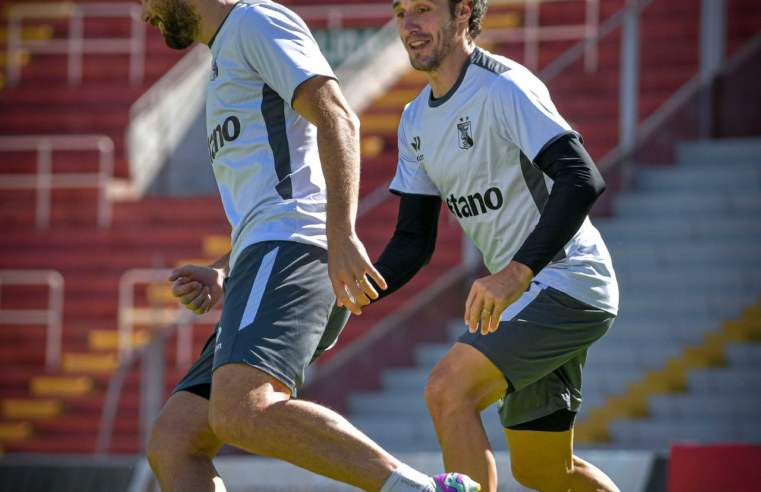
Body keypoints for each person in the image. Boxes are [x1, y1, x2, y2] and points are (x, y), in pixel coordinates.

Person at [139, 0, 481, 491]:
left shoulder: (256, 22)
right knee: (174, 441)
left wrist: (340, 234)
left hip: (292, 248)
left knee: (242, 410)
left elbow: (339, 118)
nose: (143, 13)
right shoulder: (219, 59)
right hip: (264, 254)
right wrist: (224, 268)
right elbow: (272, 186)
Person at [366, 0, 622, 491]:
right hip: (526, 295)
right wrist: (357, 288)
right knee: (544, 471)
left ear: (463, 12)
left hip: (568, 281)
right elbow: (413, 240)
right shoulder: (415, 119)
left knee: (448, 391)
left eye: (422, 8)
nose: (408, 26)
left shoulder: (505, 86)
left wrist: (513, 274)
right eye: (400, 12)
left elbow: (581, 178)